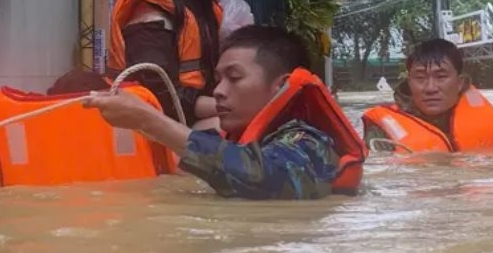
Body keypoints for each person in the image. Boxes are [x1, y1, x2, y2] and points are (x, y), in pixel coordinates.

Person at [87, 25, 365, 200]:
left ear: (281, 86)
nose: (219, 90)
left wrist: (149, 120)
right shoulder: (239, 140)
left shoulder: (310, 142)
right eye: (218, 79)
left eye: (234, 77)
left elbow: (262, 177)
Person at [107, 0, 225, 131]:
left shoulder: (202, 11)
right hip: (155, 121)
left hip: (187, 113)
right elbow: (158, 91)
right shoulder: (150, 18)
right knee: (228, 129)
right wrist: (222, 107)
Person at [361, 38, 493, 154]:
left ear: (460, 83)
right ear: (409, 83)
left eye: (441, 77)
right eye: (420, 78)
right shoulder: (382, 133)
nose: (431, 88)